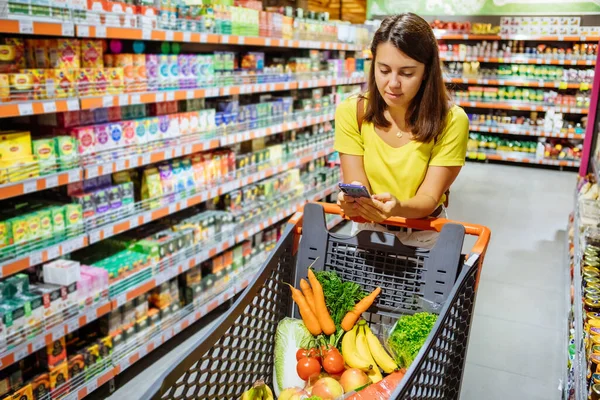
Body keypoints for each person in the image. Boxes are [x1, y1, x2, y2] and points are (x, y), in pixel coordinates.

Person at [334, 13, 469, 247]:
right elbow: (356, 186)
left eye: (407, 73)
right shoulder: (352, 111)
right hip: (368, 231)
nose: (393, 83)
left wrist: (397, 208)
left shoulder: (451, 121)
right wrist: (352, 203)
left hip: (424, 235)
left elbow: (428, 198)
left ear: (427, 71)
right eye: (384, 70)